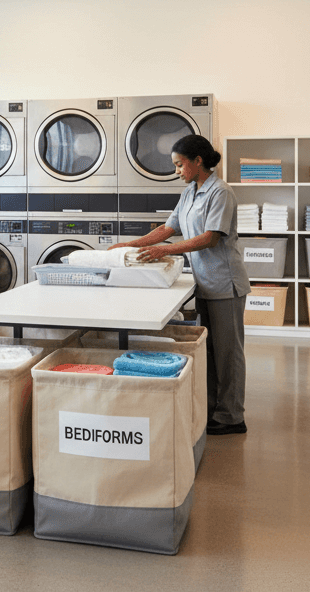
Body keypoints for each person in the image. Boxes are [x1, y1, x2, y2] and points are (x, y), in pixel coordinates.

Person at [109, 134, 250, 435]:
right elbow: (168, 227)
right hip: (205, 283)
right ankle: (214, 408)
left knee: (228, 353)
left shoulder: (220, 192)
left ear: (198, 161)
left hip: (225, 283)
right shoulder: (190, 192)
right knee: (209, 350)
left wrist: (166, 250)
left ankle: (232, 417)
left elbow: (211, 236)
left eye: (179, 165)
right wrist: (129, 245)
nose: (177, 171)